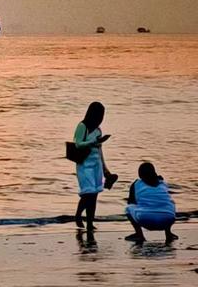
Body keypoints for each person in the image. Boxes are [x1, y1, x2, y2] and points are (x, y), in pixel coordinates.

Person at [72, 101, 118, 231]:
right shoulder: (82, 126)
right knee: (88, 193)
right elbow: (77, 144)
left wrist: (105, 170)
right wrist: (94, 141)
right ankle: (78, 215)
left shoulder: (98, 130)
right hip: (84, 165)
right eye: (99, 116)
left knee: (94, 195)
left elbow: (100, 151)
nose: (101, 119)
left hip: (96, 165)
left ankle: (90, 223)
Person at [125, 162, 177, 243]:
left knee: (128, 208)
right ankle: (168, 234)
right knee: (168, 205)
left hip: (146, 220)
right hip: (168, 219)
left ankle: (139, 235)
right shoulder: (163, 183)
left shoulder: (136, 184)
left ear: (140, 175)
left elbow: (131, 202)